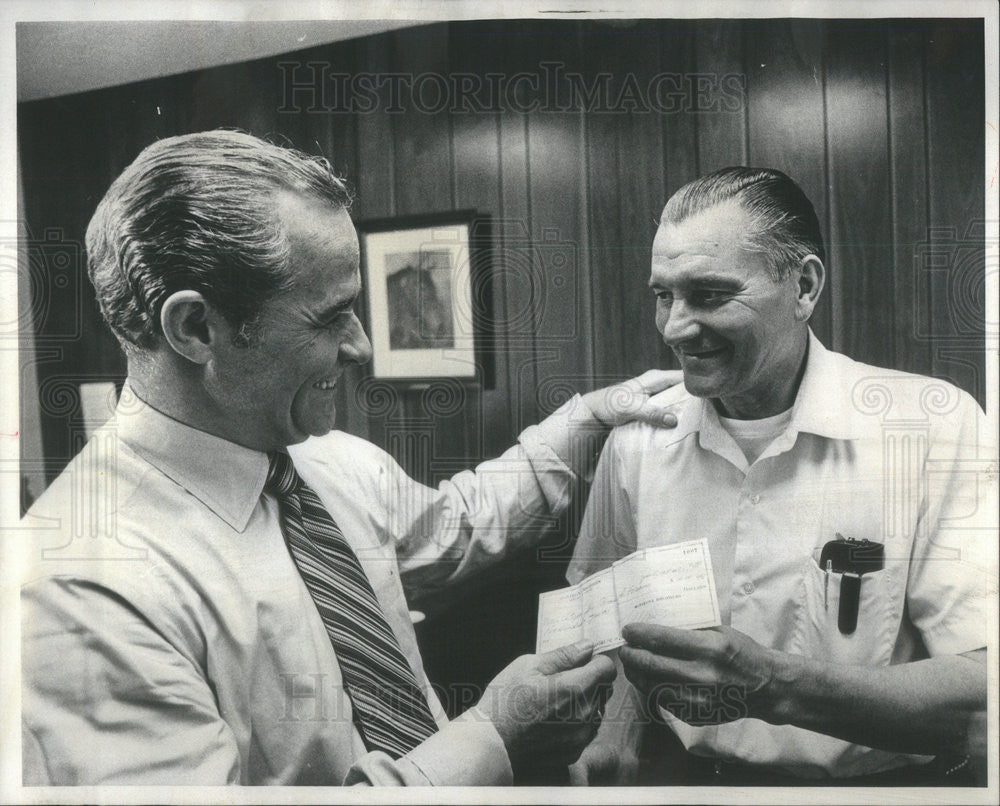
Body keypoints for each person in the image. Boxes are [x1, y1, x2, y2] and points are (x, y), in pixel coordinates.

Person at [19, 130, 681, 786]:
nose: (361, 346)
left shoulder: (327, 463)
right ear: (196, 329)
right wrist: (494, 739)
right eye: (329, 316)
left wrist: (585, 419)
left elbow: (459, 523)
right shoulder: (81, 586)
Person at [567, 167, 993, 786]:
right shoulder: (638, 440)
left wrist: (772, 684)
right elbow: (604, 636)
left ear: (804, 286)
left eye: (709, 295)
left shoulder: (933, 429)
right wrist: (607, 757)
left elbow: (985, 698)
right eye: (664, 295)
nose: (675, 328)